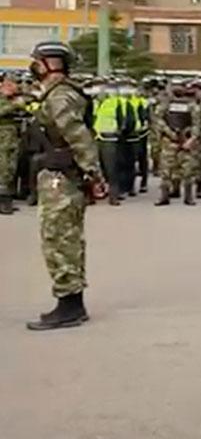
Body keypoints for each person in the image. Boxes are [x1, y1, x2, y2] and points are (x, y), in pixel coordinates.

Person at [23, 41, 106, 331]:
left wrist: (94, 175)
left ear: (49, 63)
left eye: (37, 61)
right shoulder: (55, 94)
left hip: (62, 176)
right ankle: (71, 302)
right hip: (58, 173)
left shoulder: (60, 96)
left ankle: (69, 305)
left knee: (60, 238)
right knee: (62, 237)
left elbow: (78, 136)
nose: (32, 66)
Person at [156, 83, 201, 206]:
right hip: (169, 141)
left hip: (186, 141)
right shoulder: (166, 104)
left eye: (180, 87)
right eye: (175, 87)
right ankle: (164, 196)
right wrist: (168, 132)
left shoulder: (192, 106)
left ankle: (188, 197)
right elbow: (158, 119)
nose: (178, 90)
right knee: (166, 170)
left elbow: (196, 124)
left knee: (188, 170)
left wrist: (191, 139)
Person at [0, 72, 26, 214]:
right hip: (2, 138)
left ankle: (7, 198)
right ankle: (3, 202)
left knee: (11, 168)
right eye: (13, 84)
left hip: (13, 137)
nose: (16, 87)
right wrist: (13, 106)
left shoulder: (14, 99)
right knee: (3, 168)